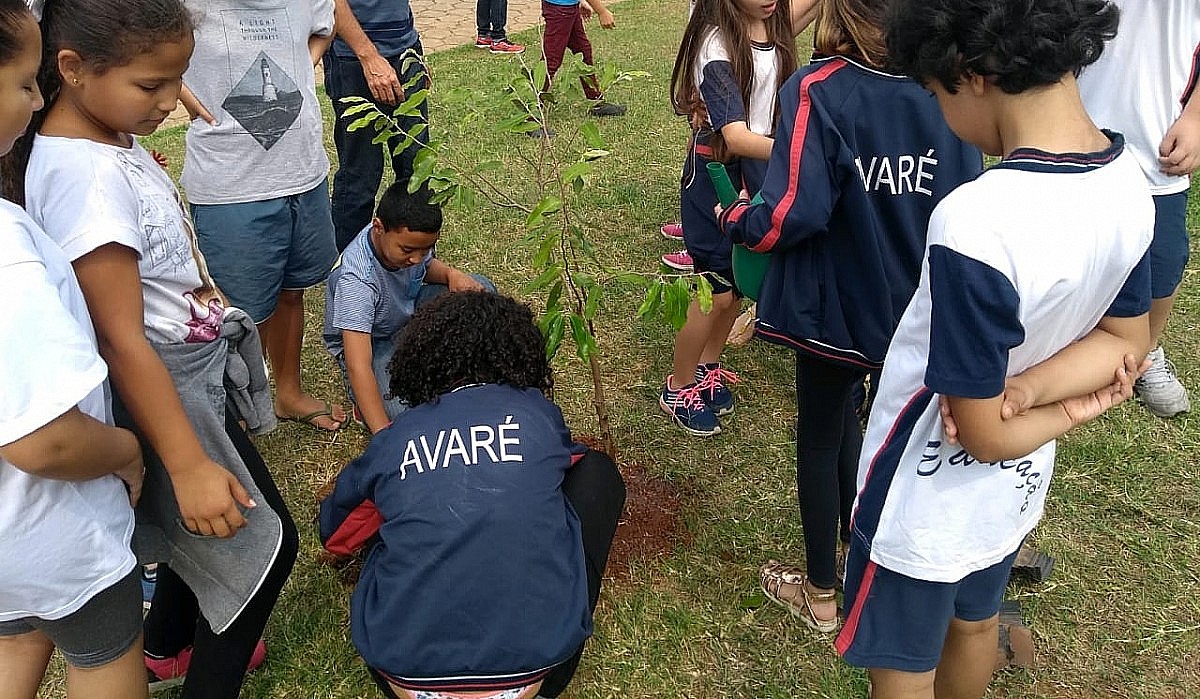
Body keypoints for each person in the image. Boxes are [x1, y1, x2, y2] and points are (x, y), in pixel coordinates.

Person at [834, 2, 1152, 697]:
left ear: (969, 73)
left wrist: (1052, 407)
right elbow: (1129, 340)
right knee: (976, 626)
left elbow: (977, 430)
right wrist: (1038, 393)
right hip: (1014, 488)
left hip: (920, 497)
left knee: (906, 663)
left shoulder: (977, 222)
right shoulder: (1130, 183)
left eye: (934, 91)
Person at [10, 0, 299, 695]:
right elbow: (119, 333)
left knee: (197, 529)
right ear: (73, 70)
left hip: (184, 376)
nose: (173, 102)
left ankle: (168, 643)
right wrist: (186, 460)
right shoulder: (83, 177)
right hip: (160, 387)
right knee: (264, 544)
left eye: (178, 80)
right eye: (151, 86)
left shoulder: (105, 141)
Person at [719, 0, 981, 631]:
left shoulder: (818, 88)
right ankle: (857, 537)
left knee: (821, 433)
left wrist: (735, 220)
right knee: (862, 427)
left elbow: (793, 211)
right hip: (912, 314)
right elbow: (963, 202)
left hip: (833, 310)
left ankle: (818, 592)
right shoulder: (950, 92)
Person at [320, 291, 625, 699]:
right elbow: (568, 461)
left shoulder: (396, 439)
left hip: (405, 676)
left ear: (420, 361)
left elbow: (337, 534)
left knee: (386, 517)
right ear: (519, 355)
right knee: (596, 471)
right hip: (539, 673)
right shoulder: (534, 413)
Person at [0, 4, 147, 697]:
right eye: (27, 82)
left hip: (8, 549)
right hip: (51, 529)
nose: (37, 100)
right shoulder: (7, 254)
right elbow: (45, 441)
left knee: (18, 632)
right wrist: (125, 451)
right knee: (103, 651)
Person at [178, 0, 347, 431]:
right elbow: (134, 41)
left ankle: (286, 393)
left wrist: (301, 72)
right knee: (237, 312)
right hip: (231, 184)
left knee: (293, 291)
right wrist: (178, 91)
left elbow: (325, 26)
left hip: (303, 171)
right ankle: (235, 413)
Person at [657, 0, 801, 437]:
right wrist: (801, 150)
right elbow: (735, 137)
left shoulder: (772, 24)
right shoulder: (716, 42)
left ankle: (707, 368)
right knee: (715, 290)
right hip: (716, 174)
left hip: (756, 172)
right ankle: (678, 386)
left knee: (737, 285)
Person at [1077, 0, 1200, 419]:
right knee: (1060, 253)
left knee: (1163, 262)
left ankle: (1145, 352)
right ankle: (1059, 350)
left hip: (1157, 141)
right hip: (1068, 129)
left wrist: (1197, 118)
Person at [322, 183, 493, 434]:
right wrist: (384, 437)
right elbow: (359, 364)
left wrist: (450, 274)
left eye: (425, 249)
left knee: (481, 293)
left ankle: (443, 367)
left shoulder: (408, 244)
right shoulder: (356, 281)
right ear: (378, 227)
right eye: (408, 250)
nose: (417, 258)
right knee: (403, 418)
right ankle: (365, 405)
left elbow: (425, 267)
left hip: (407, 316)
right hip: (374, 342)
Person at [325, 0, 432, 252]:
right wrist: (369, 56)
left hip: (404, 49)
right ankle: (349, 268)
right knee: (361, 175)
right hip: (354, 59)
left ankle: (413, 257)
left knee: (416, 164)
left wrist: (413, 52)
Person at [540, 0, 627, 118]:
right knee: (550, 61)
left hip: (568, 6)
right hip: (560, 9)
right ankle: (530, 114)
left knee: (583, 51)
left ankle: (596, 101)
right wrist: (602, 11)